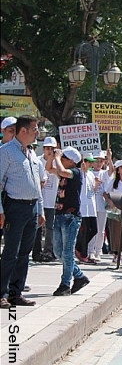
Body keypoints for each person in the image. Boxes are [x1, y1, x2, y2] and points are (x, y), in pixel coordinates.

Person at [0, 115, 44, 308]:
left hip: (32, 207)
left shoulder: (32, 153)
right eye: (35, 129)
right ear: (23, 130)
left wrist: (40, 209)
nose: (37, 133)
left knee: (25, 252)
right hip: (14, 207)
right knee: (11, 252)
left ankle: (16, 292)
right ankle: (1, 292)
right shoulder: (6, 152)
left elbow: (37, 184)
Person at [50, 146, 90, 296]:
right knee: (58, 251)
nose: (61, 160)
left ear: (72, 162)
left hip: (71, 217)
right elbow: (50, 169)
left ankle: (65, 284)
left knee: (67, 253)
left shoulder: (77, 173)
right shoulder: (64, 173)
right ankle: (79, 276)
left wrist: (57, 158)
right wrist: (51, 156)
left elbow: (60, 171)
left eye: (64, 158)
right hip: (59, 215)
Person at [33, 136, 58, 262]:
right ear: (43, 149)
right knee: (37, 226)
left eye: (52, 149)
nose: (49, 151)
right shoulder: (37, 161)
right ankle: (36, 251)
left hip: (52, 200)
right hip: (39, 199)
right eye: (47, 148)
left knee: (50, 227)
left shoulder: (57, 162)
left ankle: (49, 251)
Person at [74, 153, 100, 264]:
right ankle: (83, 253)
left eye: (90, 162)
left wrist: (97, 185)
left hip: (91, 206)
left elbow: (91, 192)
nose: (89, 164)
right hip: (83, 207)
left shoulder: (91, 175)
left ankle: (78, 248)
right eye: (87, 161)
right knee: (85, 231)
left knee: (94, 229)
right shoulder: (79, 173)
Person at [88, 151, 110, 260]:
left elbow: (112, 171)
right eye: (96, 161)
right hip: (91, 205)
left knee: (101, 230)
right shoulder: (88, 172)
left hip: (102, 205)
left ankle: (98, 250)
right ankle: (90, 250)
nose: (98, 163)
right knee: (92, 229)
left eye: (101, 161)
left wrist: (109, 158)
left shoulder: (104, 173)